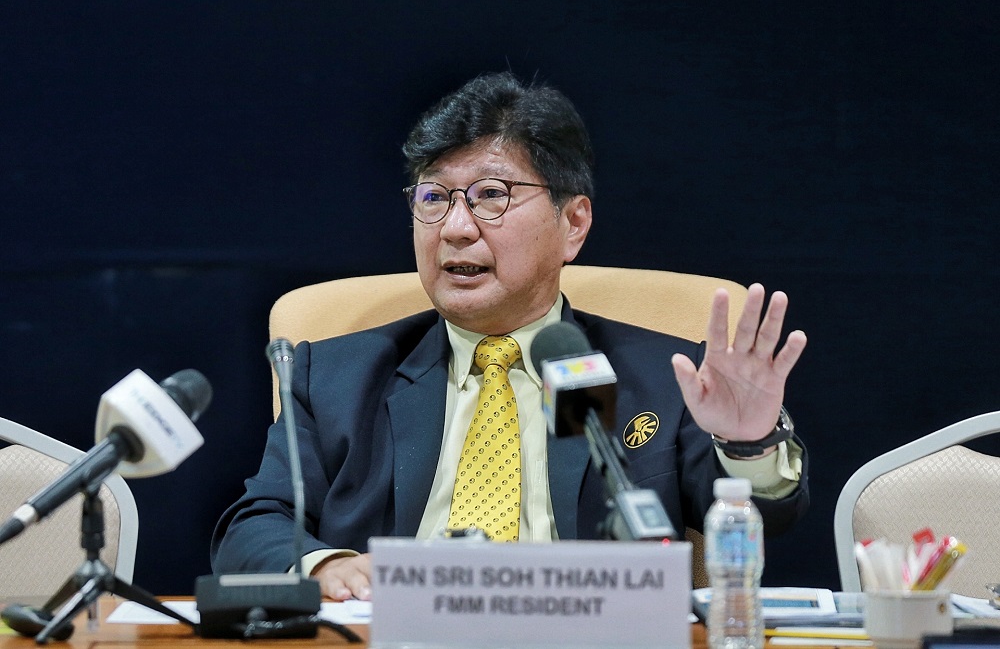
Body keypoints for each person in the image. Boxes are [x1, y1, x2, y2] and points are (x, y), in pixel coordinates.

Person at [211, 71, 810, 601]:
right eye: (433, 198)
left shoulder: (660, 375)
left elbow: (763, 516)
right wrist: (327, 565)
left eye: (491, 196)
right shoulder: (336, 378)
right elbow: (254, 526)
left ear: (573, 224)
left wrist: (748, 445)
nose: (455, 228)